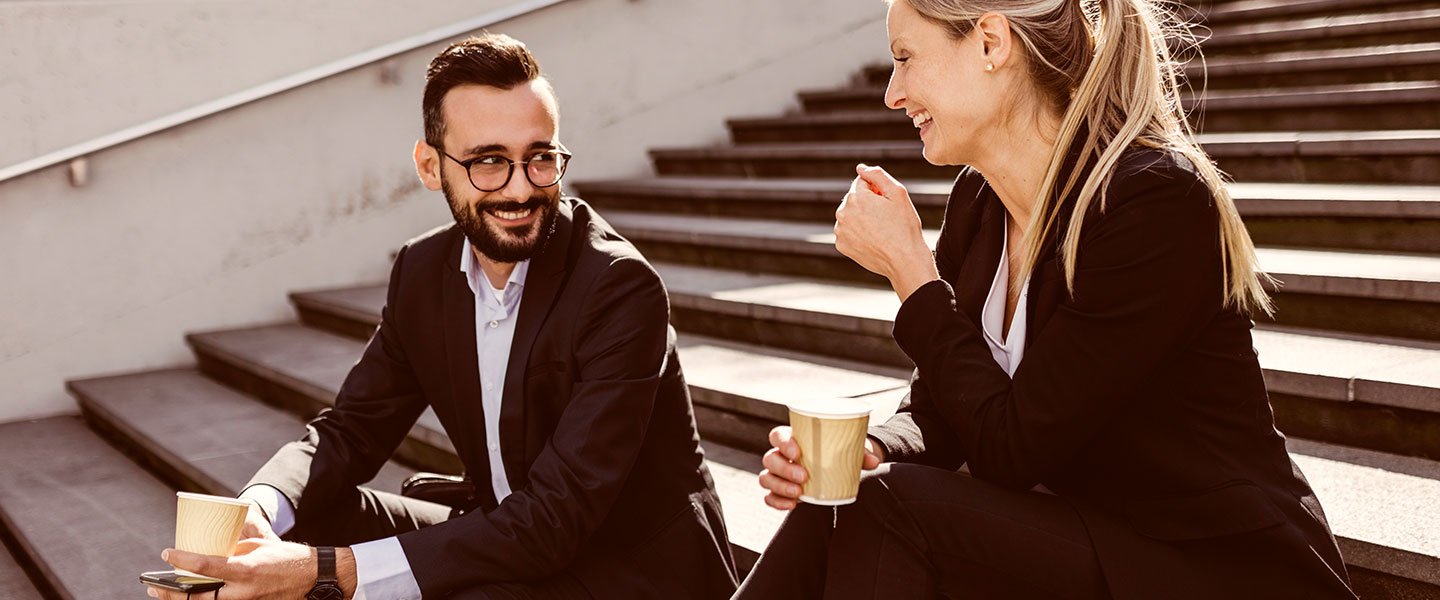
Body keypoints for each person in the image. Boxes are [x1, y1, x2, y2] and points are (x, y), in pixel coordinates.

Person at [738, 0, 1358, 598]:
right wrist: (872, 450)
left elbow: (1012, 446)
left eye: (905, 58)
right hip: (1089, 537)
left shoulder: (1151, 202)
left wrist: (913, 277)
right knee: (844, 497)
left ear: (990, 42)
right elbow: (939, 411)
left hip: (1211, 563)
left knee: (888, 505)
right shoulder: (978, 205)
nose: (892, 93)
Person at [144, 33, 737, 600]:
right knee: (300, 521)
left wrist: (323, 574)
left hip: (631, 570)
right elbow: (351, 429)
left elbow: (556, 520)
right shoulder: (422, 272)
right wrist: (256, 512)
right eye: (488, 162)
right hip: (508, 532)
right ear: (430, 167)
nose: (521, 188)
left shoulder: (618, 288)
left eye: (540, 157)